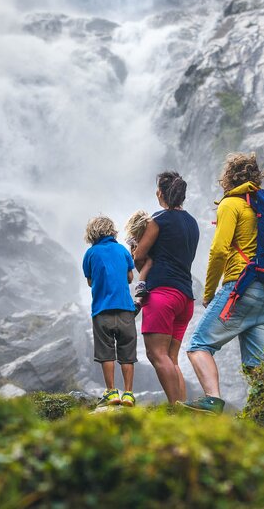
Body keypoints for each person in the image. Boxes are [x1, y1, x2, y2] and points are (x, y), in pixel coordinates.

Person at [183, 152, 264, 414]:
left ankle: (212, 400)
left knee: (199, 345)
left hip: (241, 286)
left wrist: (209, 292)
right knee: (257, 365)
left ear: (228, 177)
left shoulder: (231, 204)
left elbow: (219, 251)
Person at [133, 172, 199, 404]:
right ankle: (183, 408)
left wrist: (144, 260)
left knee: (156, 354)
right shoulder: (192, 222)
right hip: (185, 298)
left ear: (160, 192)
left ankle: (176, 408)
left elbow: (139, 256)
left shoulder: (157, 220)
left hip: (162, 296)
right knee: (171, 358)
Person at [83, 215, 138, 408]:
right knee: (127, 353)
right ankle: (129, 394)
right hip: (125, 309)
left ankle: (112, 392)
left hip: (102, 310)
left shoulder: (90, 254)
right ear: (111, 231)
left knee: (106, 353)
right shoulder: (122, 250)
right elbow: (130, 277)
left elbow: (90, 281)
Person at [124, 209, 152, 303]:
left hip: (137, 265)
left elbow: (133, 255)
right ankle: (140, 288)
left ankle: (139, 300)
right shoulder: (147, 234)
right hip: (143, 258)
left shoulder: (132, 238)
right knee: (149, 261)